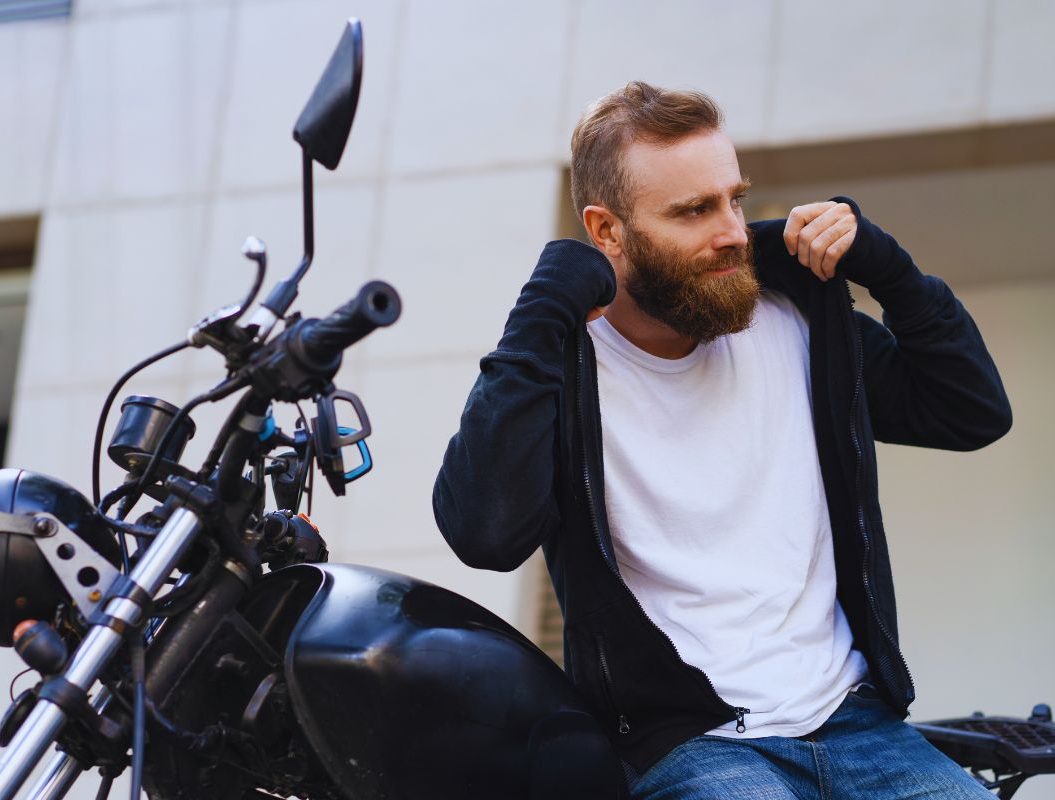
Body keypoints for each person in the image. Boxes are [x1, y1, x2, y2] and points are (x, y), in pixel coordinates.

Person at [432, 81, 1011, 799]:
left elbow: (971, 410)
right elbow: (484, 532)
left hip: (856, 720)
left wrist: (890, 270)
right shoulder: (563, 368)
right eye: (694, 210)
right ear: (607, 231)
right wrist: (542, 310)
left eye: (734, 198)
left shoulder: (794, 316)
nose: (734, 230)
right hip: (693, 745)